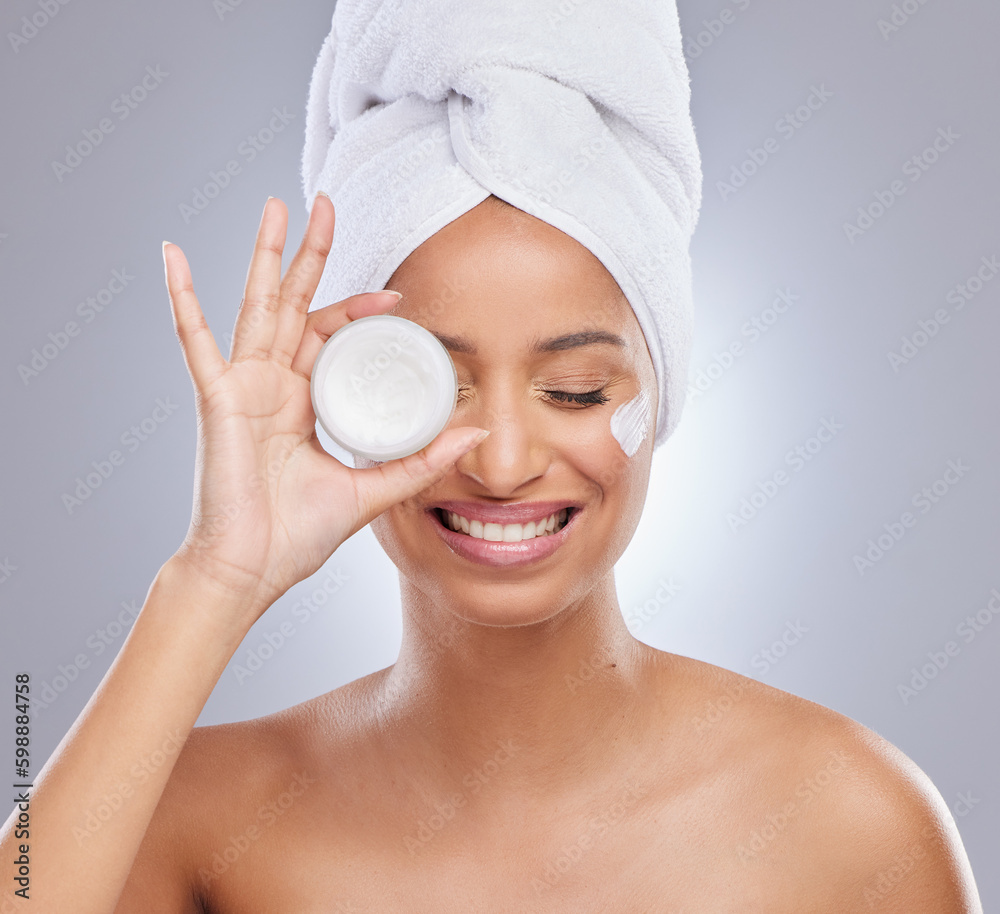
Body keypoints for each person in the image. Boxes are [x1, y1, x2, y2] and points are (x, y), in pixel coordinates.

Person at [0, 191, 983, 911]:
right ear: (348, 406)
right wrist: (212, 578)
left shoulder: (850, 819)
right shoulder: (192, 816)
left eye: (576, 391)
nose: (505, 462)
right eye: (442, 386)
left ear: (661, 401)